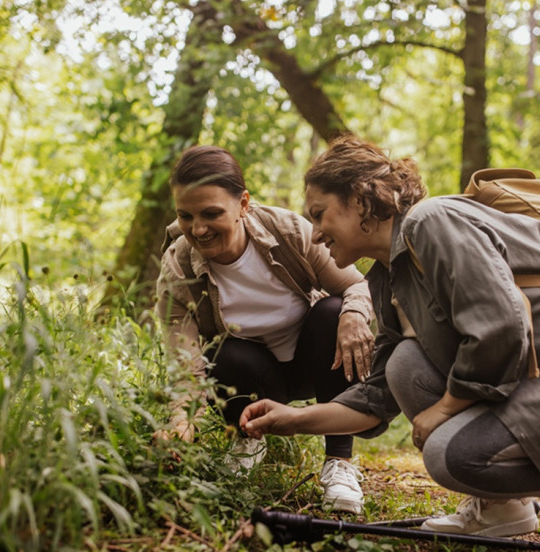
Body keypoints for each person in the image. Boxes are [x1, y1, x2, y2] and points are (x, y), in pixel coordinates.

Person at [239, 134, 540, 552]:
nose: (315, 234)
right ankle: (502, 508)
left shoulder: (430, 222)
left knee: (451, 455)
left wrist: (446, 408)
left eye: (320, 215)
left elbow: (502, 326)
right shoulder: (386, 279)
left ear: (360, 200)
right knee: (405, 367)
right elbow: (376, 399)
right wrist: (294, 420)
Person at [155, 145, 375, 514]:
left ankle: (339, 462)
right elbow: (185, 361)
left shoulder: (288, 231)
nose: (198, 229)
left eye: (211, 214)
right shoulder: (179, 267)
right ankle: (247, 441)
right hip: (250, 377)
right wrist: (181, 417)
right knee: (222, 351)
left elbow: (357, 285)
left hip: (313, 365)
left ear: (243, 204)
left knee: (332, 311)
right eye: (186, 216)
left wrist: (354, 316)